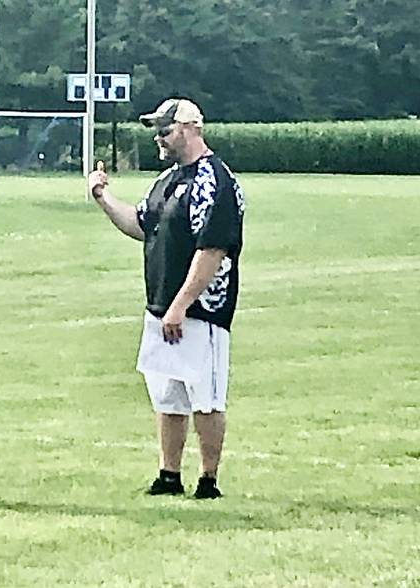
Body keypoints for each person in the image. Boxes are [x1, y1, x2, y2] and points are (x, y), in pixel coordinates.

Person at [87, 98, 245, 499]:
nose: (159, 137)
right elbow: (142, 225)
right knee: (168, 396)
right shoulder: (168, 181)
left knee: (204, 397)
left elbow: (212, 249)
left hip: (201, 311)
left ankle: (208, 480)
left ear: (191, 127)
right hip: (160, 307)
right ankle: (169, 474)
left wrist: (181, 304)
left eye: (165, 129)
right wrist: (103, 198)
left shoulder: (215, 180)